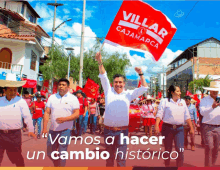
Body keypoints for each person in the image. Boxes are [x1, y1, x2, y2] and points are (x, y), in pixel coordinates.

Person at [95, 52, 148, 167]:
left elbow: (144, 87)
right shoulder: (108, 91)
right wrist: (100, 61)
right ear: (113, 83)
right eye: (116, 82)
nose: (118, 84)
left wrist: (141, 74)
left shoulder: (129, 94)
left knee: (121, 160)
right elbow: (103, 76)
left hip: (123, 132)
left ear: (124, 84)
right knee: (109, 160)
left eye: (120, 82)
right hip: (108, 131)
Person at [0, 73, 36, 167]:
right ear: (5, 90)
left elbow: (27, 116)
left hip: (14, 135)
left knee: (17, 158)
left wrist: (31, 129)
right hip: (0, 134)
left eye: (15, 90)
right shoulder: (0, 101)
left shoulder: (21, 101)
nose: (13, 92)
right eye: (10, 90)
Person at [42, 78, 80, 167]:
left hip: (66, 130)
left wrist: (65, 119)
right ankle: (57, 164)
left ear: (68, 87)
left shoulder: (73, 98)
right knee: (49, 152)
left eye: (63, 85)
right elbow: (47, 112)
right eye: (60, 85)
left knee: (62, 152)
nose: (61, 86)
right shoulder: (52, 97)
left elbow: (77, 113)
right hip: (52, 130)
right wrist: (44, 128)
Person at [155, 85, 194, 167]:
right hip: (167, 129)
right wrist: (156, 126)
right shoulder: (165, 101)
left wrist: (191, 128)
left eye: (180, 91)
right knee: (168, 150)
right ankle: (167, 166)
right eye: (177, 91)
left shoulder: (182, 102)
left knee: (180, 150)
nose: (180, 93)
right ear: (172, 92)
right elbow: (159, 114)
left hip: (179, 129)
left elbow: (187, 116)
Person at [200, 81, 220, 167]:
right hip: (207, 127)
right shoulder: (204, 100)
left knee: (216, 149)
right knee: (209, 148)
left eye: (216, 91)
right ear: (210, 91)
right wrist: (212, 107)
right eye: (213, 91)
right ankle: (208, 167)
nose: (215, 92)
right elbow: (202, 113)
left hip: (218, 127)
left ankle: (212, 165)